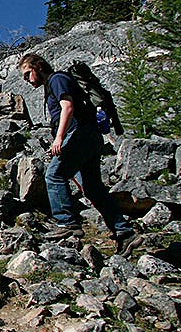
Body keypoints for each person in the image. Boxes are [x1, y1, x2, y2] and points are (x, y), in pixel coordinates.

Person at [19, 53, 137, 253]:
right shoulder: (55, 83)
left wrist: (59, 139)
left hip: (79, 134)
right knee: (92, 188)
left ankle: (67, 223)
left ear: (39, 66)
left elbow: (68, 107)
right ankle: (125, 233)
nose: (27, 80)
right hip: (90, 137)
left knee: (54, 175)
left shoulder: (57, 79)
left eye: (28, 74)